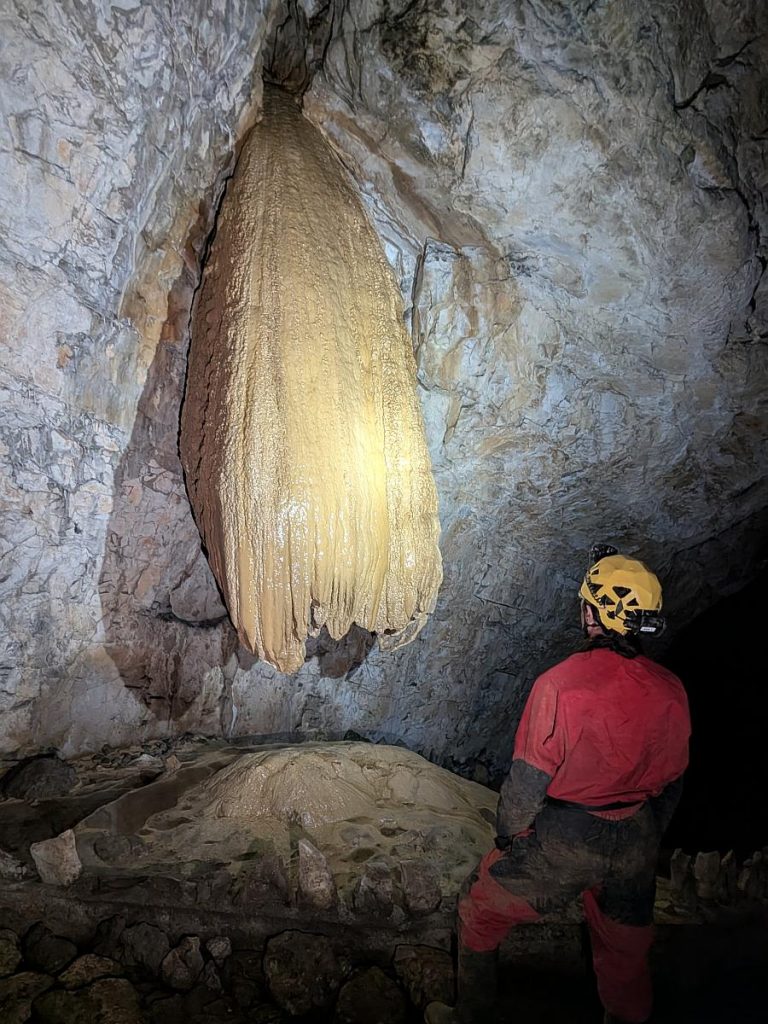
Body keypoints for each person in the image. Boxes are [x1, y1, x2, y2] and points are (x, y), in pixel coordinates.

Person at [426, 545, 691, 1024]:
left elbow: (527, 782)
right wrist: (649, 835)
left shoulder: (560, 684)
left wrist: (509, 836)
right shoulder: (670, 688)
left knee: (478, 908)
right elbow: (673, 782)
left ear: (591, 614)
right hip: (635, 838)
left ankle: (471, 1015)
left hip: (567, 839)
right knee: (626, 946)